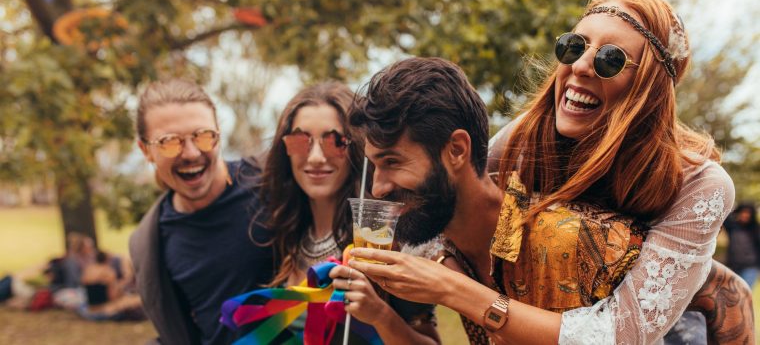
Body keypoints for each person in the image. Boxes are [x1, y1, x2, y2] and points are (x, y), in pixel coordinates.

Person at [345, 52, 752, 344]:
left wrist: (453, 288)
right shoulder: (440, 248)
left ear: (456, 151)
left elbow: (723, 290)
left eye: (393, 162)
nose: (378, 188)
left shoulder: (568, 239)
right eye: (374, 166)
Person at [255, 81, 439, 343]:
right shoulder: (279, 238)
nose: (316, 156)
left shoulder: (383, 243)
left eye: (335, 141)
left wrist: (379, 314)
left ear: (356, 148)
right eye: (300, 140)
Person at [130, 79, 274, 345]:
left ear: (218, 133)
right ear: (145, 150)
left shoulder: (272, 184)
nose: (191, 153)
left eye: (203, 136)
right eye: (169, 142)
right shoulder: (148, 242)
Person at [78, 250, 144, 321]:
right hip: (105, 308)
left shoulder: (88, 270)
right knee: (139, 299)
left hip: (90, 307)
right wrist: (121, 287)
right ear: (107, 260)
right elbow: (112, 296)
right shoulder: (108, 272)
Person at [724, 202, 760, 288]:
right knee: (732, 293)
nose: (745, 215)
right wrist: (734, 211)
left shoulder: (756, 229)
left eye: (748, 213)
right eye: (743, 212)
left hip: (750, 267)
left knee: (744, 292)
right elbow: (725, 216)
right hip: (733, 266)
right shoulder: (733, 227)